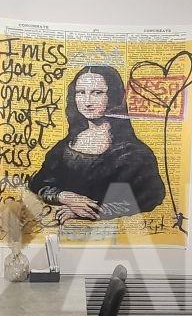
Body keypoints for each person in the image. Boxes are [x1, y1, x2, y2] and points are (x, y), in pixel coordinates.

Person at [28, 66, 167, 223]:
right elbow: (39, 183)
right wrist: (65, 197)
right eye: (81, 92)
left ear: (113, 96)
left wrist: (90, 210)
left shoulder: (135, 153)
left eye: (97, 93)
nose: (87, 102)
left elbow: (150, 196)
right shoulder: (65, 146)